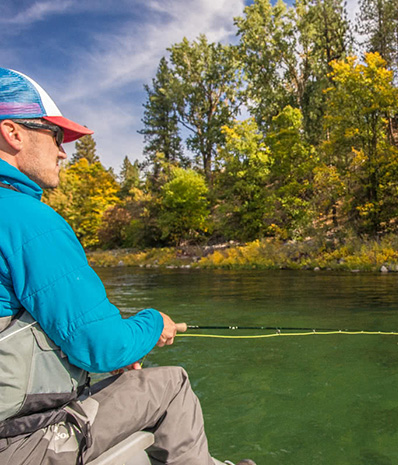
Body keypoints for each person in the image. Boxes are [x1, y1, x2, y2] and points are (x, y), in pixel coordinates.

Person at [0, 68, 251, 465]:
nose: (64, 151)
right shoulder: (24, 219)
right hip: (21, 445)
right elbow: (101, 346)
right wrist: (152, 323)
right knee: (172, 384)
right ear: (13, 132)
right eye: (56, 136)